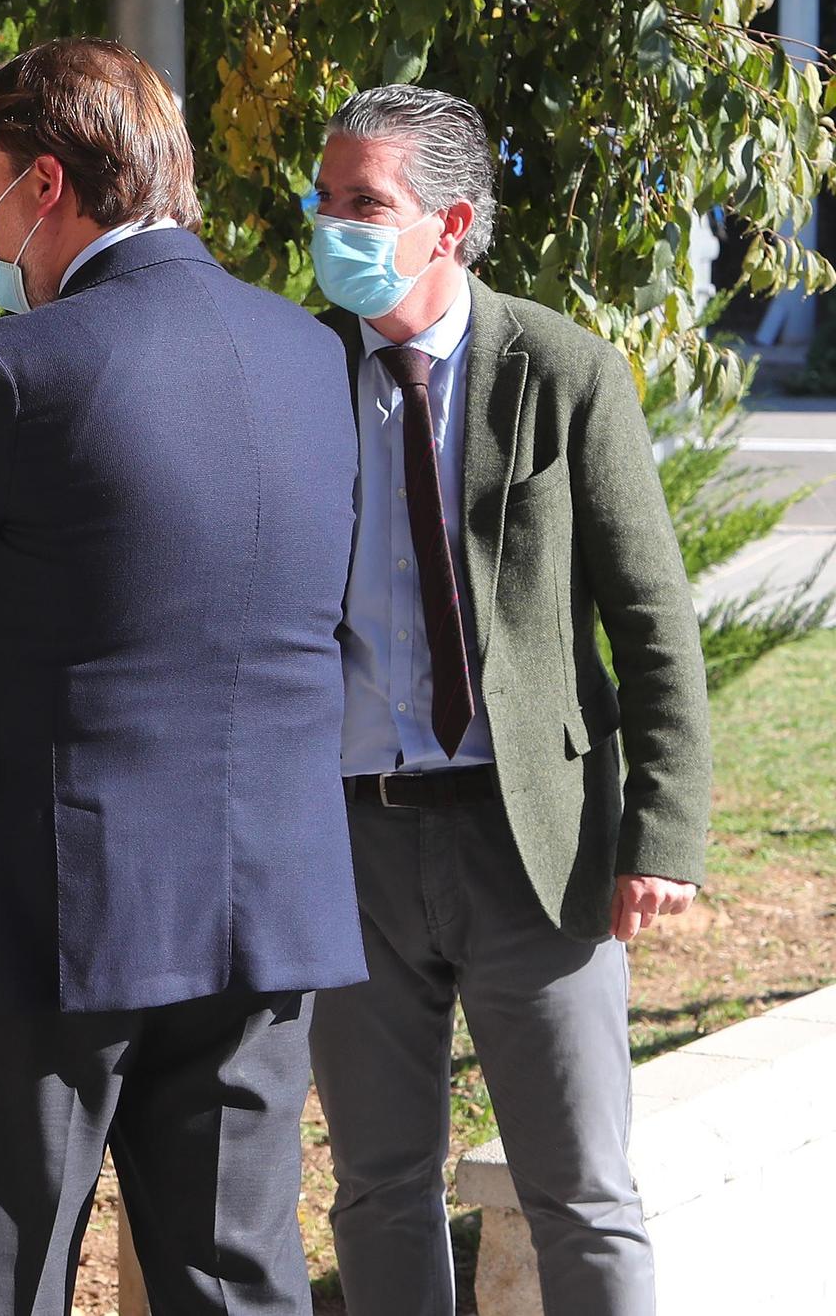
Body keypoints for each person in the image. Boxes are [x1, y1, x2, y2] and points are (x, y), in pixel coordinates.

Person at [0, 37, 366, 1316]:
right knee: (233, 1277)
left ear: (44, 183)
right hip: (261, 901)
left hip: (57, 911)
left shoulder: (19, 365)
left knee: (15, 1267)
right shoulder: (310, 357)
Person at [305, 83, 712, 1316]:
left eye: (364, 203)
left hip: (533, 839)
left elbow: (649, 618)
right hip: (346, 842)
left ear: (450, 220)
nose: (334, 228)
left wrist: (662, 832)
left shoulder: (559, 368)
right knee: (375, 1186)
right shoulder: (292, 372)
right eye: (322, 201)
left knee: (577, 1188)